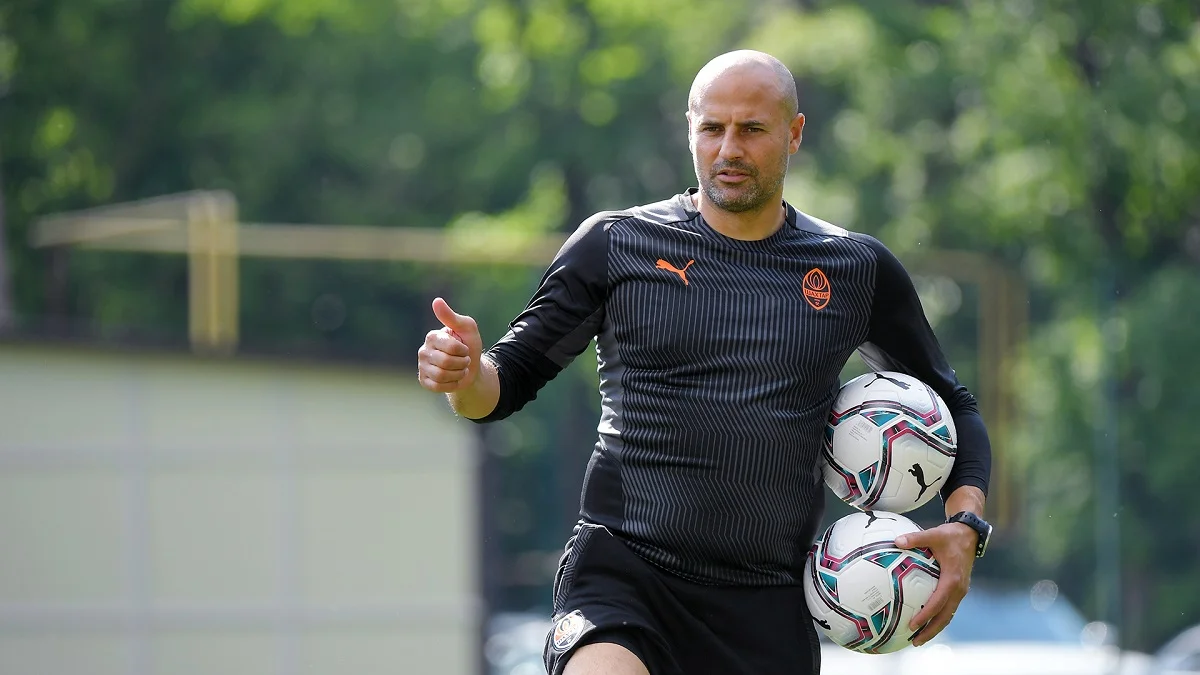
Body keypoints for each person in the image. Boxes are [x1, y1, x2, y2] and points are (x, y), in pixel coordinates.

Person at [417, 50, 993, 675]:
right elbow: (501, 387)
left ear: (795, 134)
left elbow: (953, 405)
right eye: (712, 128)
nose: (729, 149)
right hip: (625, 574)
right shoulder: (616, 244)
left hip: (765, 605)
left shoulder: (855, 268)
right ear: (689, 129)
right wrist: (465, 375)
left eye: (752, 129)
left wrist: (965, 525)